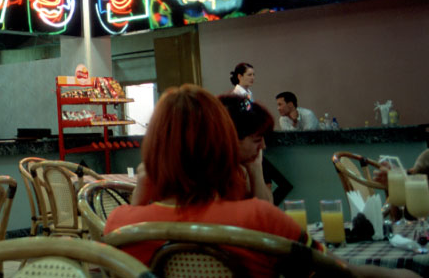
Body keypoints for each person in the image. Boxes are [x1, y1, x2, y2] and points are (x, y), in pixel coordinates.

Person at [104, 84, 416, 278]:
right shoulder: (259, 218)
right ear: (224, 143)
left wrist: (139, 200)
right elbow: (337, 272)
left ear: (152, 149)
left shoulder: (119, 225)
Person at [218, 94, 274, 202]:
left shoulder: (244, 166)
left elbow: (266, 208)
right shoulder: (209, 174)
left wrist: (255, 169)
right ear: (231, 139)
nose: (263, 146)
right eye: (257, 140)